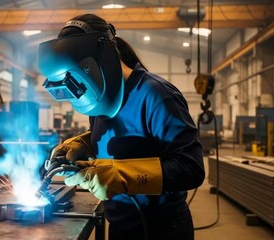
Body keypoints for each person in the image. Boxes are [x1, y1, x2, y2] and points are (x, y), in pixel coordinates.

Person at [38, 14, 205, 240]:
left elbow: (191, 168)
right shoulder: (100, 97)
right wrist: (84, 143)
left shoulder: (156, 95)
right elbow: (126, 135)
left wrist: (121, 177)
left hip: (162, 229)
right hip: (119, 225)